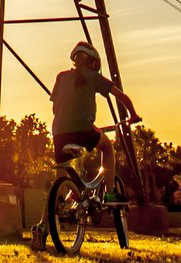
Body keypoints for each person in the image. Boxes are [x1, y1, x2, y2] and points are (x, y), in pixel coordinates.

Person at [50, 41, 140, 201]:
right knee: (107, 147)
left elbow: (54, 109)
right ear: (93, 62)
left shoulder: (61, 77)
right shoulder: (94, 77)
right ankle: (110, 193)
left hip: (58, 132)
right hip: (83, 129)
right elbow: (123, 98)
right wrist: (133, 115)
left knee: (60, 174)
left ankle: (46, 221)